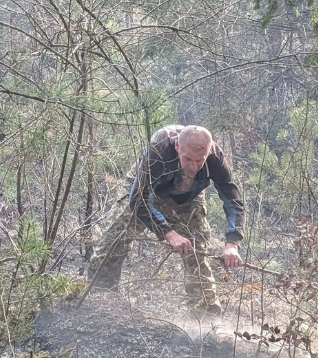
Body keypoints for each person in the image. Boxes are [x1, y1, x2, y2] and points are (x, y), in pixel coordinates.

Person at [88, 125, 244, 313]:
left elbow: (232, 199)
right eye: (188, 159)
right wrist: (168, 233)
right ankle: (100, 304)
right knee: (113, 242)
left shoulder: (214, 157)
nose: (193, 167)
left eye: (199, 161)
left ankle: (206, 318)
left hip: (188, 199)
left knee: (196, 252)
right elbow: (138, 198)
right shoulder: (158, 149)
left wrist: (232, 243)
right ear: (177, 146)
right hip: (144, 193)